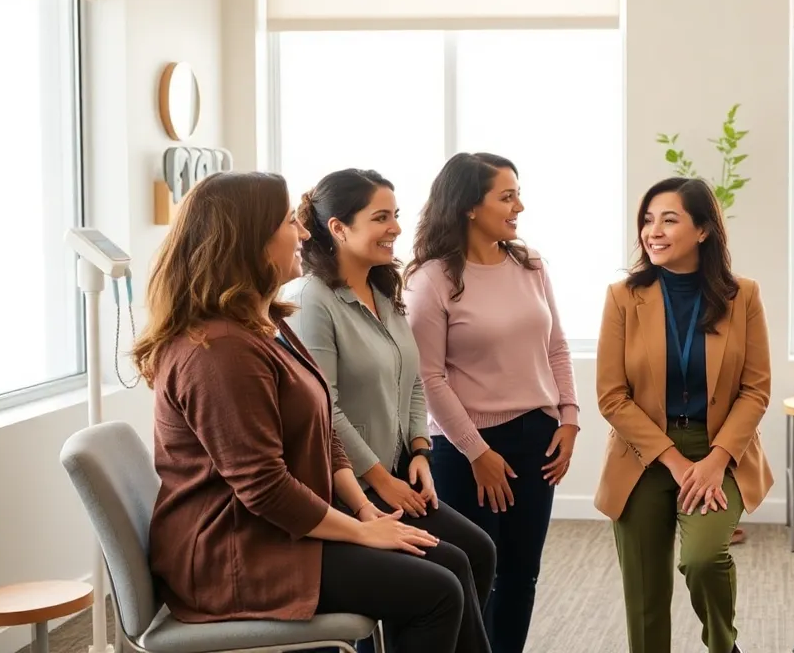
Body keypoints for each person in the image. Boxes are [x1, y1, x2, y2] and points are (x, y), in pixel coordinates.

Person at [135, 171, 471, 653]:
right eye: (290, 222)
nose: (304, 232)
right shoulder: (220, 349)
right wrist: (360, 531)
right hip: (237, 554)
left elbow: (325, 432)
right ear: (250, 240)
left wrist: (363, 509)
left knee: (452, 564)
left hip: (274, 532)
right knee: (437, 591)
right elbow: (265, 488)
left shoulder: (265, 323)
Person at [281, 168, 497, 653]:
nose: (396, 228)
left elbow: (413, 378)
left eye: (395, 215)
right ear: (338, 228)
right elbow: (325, 408)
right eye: (381, 217)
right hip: (349, 488)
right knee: (447, 571)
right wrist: (379, 478)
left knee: (478, 552)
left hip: (398, 473)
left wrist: (420, 449)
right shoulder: (312, 299)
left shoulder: (383, 291)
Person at [404, 152, 579, 653]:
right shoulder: (431, 279)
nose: (519, 206)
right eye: (507, 196)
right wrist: (477, 452)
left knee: (522, 574)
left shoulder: (530, 264)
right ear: (468, 207)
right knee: (478, 576)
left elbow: (557, 346)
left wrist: (569, 419)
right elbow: (429, 378)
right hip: (467, 451)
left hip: (538, 437)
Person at [595, 177, 774, 653]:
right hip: (643, 454)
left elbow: (755, 391)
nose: (653, 230)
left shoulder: (743, 296)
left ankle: (723, 646)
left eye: (669, 219)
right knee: (645, 594)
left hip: (720, 451)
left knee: (702, 558)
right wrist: (673, 460)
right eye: (648, 220)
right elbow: (612, 396)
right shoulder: (622, 297)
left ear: (702, 231)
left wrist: (715, 461)